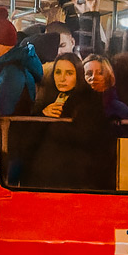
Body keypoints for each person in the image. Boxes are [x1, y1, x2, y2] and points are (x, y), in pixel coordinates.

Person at [21, 53, 114, 190]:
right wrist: (43, 115)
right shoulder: (48, 98)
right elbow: (29, 139)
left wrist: (53, 124)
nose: (62, 78)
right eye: (58, 72)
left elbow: (86, 136)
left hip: (75, 179)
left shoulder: (90, 100)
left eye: (69, 73)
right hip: (43, 178)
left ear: (78, 74)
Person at [82, 54, 128, 120]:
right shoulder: (76, 106)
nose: (94, 77)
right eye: (89, 73)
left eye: (100, 73)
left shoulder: (120, 109)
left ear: (108, 75)